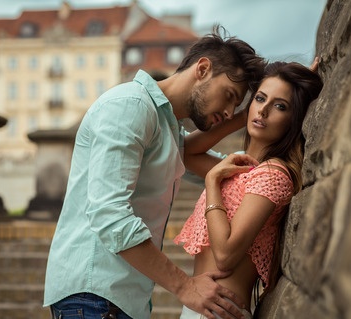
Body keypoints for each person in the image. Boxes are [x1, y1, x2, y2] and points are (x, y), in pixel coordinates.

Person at [43, 25, 266, 319]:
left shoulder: (166, 127)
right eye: (228, 95)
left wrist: (253, 114)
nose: (227, 111)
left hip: (117, 300)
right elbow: (109, 215)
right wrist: (186, 287)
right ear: (202, 69)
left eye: (235, 106)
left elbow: (222, 168)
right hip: (94, 297)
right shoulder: (131, 106)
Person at [174, 61, 323, 318]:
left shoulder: (274, 174)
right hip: (200, 308)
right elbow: (186, 151)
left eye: (280, 106)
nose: (263, 110)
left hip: (220, 311)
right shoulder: (241, 165)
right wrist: (247, 115)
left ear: (293, 119)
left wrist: (212, 182)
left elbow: (225, 255)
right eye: (260, 98)